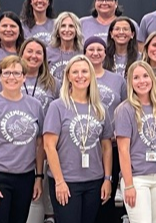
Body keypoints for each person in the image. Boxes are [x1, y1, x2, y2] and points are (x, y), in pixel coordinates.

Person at [42, 55, 113, 223]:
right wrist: (59, 181)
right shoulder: (58, 106)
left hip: (94, 181)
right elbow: (49, 146)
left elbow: (106, 146)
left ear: (91, 75)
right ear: (68, 76)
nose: (80, 76)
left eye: (84, 71)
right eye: (75, 72)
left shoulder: (100, 109)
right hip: (66, 181)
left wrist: (107, 179)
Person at [0, 55, 44, 223]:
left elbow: (40, 143)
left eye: (16, 73)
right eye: (6, 73)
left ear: (24, 77)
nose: (11, 77)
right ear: (0, 76)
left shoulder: (35, 105)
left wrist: (38, 177)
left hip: (25, 177)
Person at [115, 61, 156, 223]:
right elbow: (123, 151)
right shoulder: (125, 110)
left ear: (152, 79)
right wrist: (129, 185)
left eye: (145, 76)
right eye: (136, 77)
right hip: (137, 179)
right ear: (130, 82)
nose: (141, 81)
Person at [84, 36, 129, 222]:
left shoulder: (117, 80)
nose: (95, 53)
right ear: (84, 53)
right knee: (91, 192)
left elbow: (127, 108)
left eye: (99, 50)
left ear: (105, 53)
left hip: (113, 146)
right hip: (87, 146)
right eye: (91, 49)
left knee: (108, 191)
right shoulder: (79, 76)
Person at [47, 12, 84, 82]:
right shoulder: (47, 52)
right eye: (63, 26)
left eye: (71, 26)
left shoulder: (83, 53)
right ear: (57, 31)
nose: (67, 30)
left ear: (77, 31)